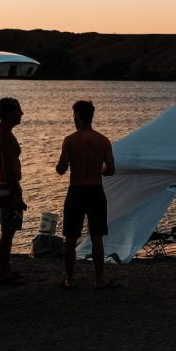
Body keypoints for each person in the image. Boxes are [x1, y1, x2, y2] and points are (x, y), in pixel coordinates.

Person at [56, 99, 117, 289]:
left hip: (76, 190)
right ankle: (99, 279)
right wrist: (99, 170)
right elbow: (111, 169)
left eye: (74, 116)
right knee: (97, 237)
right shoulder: (103, 140)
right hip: (95, 190)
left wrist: (63, 165)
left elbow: (61, 169)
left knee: (71, 237)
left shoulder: (70, 140)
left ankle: (70, 279)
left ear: (79, 117)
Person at [0, 97, 26, 285]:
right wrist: (17, 194)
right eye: (18, 110)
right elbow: (9, 170)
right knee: (8, 231)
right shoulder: (5, 136)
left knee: (7, 230)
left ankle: (6, 269)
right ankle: (2, 272)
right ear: (9, 113)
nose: (21, 114)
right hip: (7, 188)